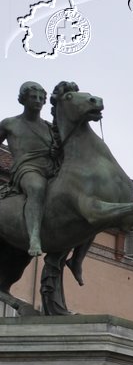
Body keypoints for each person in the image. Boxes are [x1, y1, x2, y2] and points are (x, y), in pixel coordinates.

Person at [0, 82, 57, 258]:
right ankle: (34, 237)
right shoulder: (9, 124)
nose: (38, 101)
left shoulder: (49, 127)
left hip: (51, 167)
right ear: (23, 99)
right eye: (34, 97)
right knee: (37, 188)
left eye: (41, 98)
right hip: (27, 168)